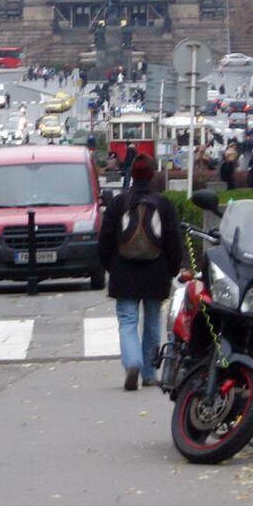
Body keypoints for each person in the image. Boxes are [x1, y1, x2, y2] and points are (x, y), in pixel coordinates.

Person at [98, 154, 185, 390]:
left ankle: (132, 361)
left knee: (127, 321)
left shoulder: (118, 203)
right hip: (156, 272)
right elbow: (173, 241)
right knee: (152, 323)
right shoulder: (164, 204)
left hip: (124, 271)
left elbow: (105, 239)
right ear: (152, 175)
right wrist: (173, 269)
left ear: (132, 175)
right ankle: (148, 372)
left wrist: (110, 266)